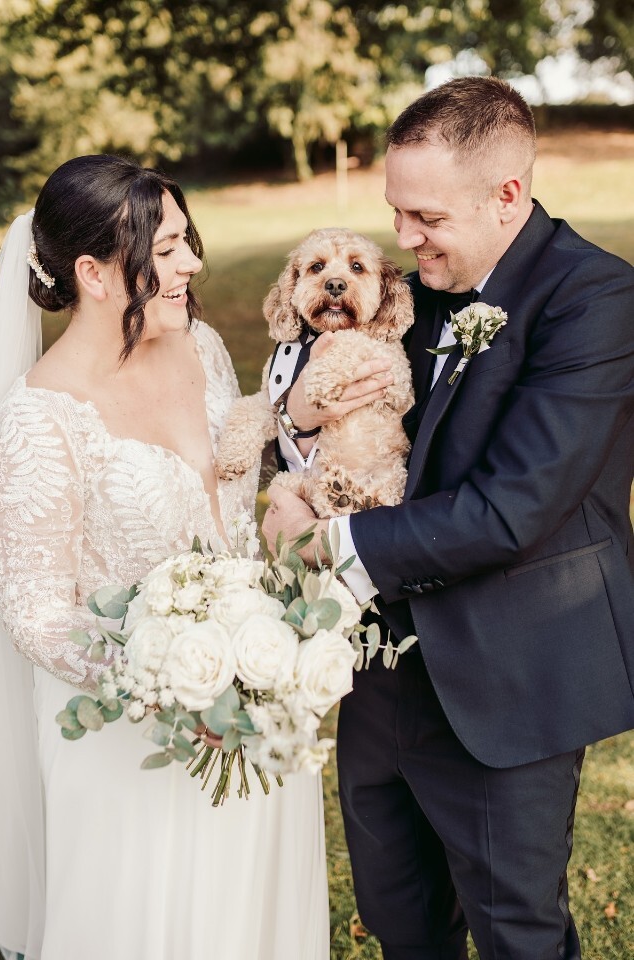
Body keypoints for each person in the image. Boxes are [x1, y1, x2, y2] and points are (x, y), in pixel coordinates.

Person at [263, 76, 634, 959]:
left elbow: (515, 507)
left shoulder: (597, 299)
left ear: (507, 194)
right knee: (402, 920)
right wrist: (297, 439)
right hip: (383, 673)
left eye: (425, 217)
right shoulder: (415, 288)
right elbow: (325, 402)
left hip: (513, 673)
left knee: (516, 932)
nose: (403, 240)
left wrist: (329, 543)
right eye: (397, 213)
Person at [0, 155, 330, 960]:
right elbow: (35, 616)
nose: (193, 264)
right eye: (167, 249)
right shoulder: (33, 422)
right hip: (128, 743)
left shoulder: (200, 345)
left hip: (258, 705)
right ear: (94, 273)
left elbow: (230, 492)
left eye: (187, 242)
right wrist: (166, 680)